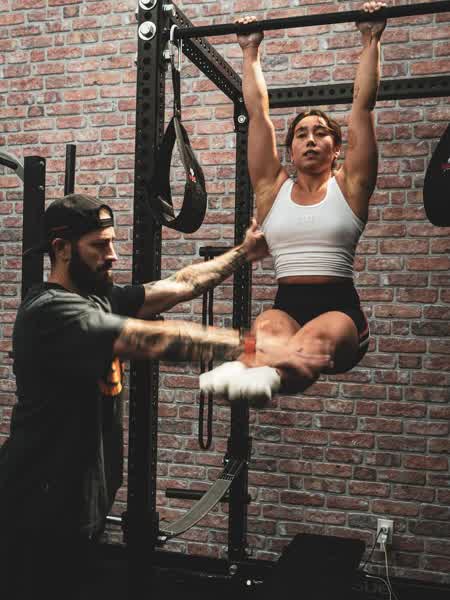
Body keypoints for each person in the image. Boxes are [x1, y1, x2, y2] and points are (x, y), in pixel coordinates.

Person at [0, 193, 299, 599]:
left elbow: (182, 284)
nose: (113, 255)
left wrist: (244, 252)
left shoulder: (99, 298)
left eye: (112, 242)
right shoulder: (50, 311)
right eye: (100, 245)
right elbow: (152, 339)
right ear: (61, 248)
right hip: (34, 511)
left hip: (74, 506)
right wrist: (249, 346)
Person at [200, 2, 387, 403]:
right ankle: (260, 368)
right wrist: (250, 49)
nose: (311, 140)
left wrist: (371, 37)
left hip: (341, 312)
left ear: (337, 149)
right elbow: (258, 114)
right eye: (301, 134)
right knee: (265, 331)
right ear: (290, 149)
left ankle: (260, 372)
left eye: (321, 133)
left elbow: (363, 105)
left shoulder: (351, 186)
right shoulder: (272, 190)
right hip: (287, 304)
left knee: (311, 342)